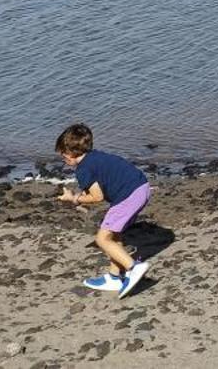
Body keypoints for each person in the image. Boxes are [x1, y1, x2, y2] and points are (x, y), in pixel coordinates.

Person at [55, 123, 152, 298]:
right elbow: (101, 181)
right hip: (141, 188)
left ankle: (134, 267)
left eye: (62, 156)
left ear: (69, 153)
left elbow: (97, 196)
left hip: (128, 196)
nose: (63, 160)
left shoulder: (83, 169)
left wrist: (74, 199)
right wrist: (80, 195)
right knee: (114, 235)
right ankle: (114, 277)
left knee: (102, 239)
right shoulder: (95, 157)